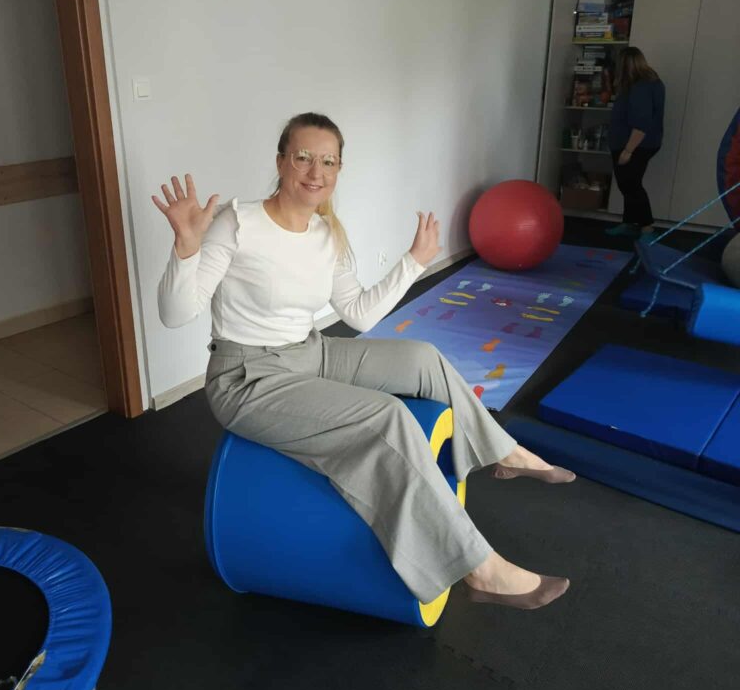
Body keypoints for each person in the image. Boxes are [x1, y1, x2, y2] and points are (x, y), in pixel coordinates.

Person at [154, 112, 573, 611]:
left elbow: (358, 313)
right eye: (303, 157)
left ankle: (503, 453)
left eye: (328, 161)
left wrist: (414, 261)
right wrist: (186, 247)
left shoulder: (325, 233)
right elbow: (175, 314)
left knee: (423, 358)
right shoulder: (236, 222)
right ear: (281, 162)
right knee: (386, 417)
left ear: (339, 169)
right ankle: (479, 568)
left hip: (310, 352)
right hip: (248, 376)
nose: (316, 172)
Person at [605, 47, 665, 239]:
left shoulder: (640, 87)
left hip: (634, 144)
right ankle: (629, 222)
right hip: (641, 143)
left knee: (631, 184)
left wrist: (628, 151)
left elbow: (641, 124)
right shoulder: (649, 83)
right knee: (627, 184)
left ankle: (647, 227)